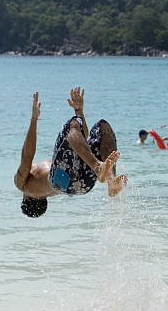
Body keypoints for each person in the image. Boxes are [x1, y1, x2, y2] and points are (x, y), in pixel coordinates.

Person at [14, 87, 127, 218]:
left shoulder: (48, 190)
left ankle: (111, 182)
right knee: (70, 125)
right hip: (60, 180)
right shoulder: (22, 186)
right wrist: (34, 120)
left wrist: (79, 112)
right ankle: (101, 169)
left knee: (102, 128)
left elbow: (82, 144)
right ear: (25, 198)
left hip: (79, 187)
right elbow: (27, 156)